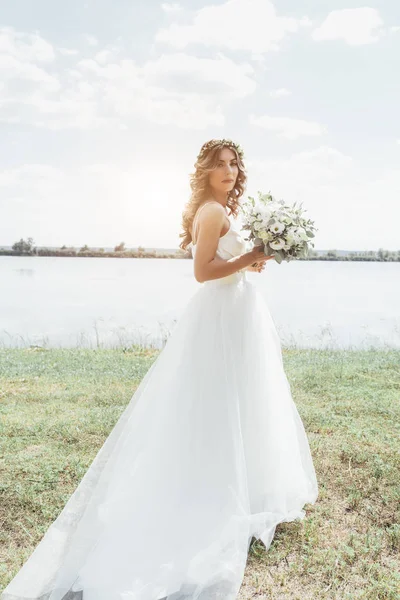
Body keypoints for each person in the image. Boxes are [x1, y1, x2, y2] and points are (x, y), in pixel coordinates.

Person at [1, 139, 318, 600]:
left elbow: (225, 265)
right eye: (220, 165)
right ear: (206, 172)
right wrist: (250, 257)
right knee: (216, 399)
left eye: (234, 164)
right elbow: (202, 272)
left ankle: (245, 483)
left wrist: (253, 262)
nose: (229, 171)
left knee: (242, 396)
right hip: (220, 314)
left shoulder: (223, 209)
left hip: (239, 309)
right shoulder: (211, 211)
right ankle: (211, 489)